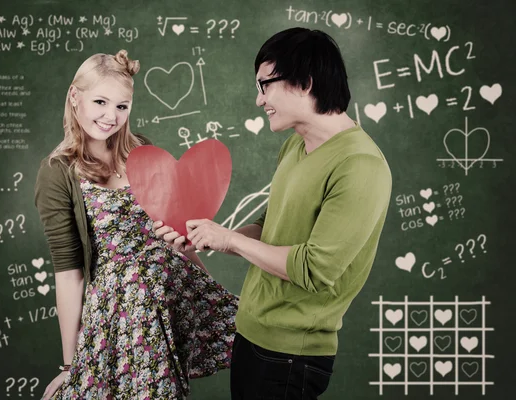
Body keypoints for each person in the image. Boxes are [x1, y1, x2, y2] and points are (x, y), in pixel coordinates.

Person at [154, 28, 392, 399]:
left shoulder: (360, 165)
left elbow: (315, 268)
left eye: (265, 85)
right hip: (251, 333)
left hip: (291, 354)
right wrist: (210, 236)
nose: (258, 99)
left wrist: (228, 239)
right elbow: (270, 226)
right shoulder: (297, 146)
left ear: (304, 83)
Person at [34, 50, 238, 400]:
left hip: (165, 288)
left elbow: (173, 237)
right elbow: (69, 273)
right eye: (100, 101)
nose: (110, 116)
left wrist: (208, 289)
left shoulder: (142, 151)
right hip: (120, 306)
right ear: (74, 97)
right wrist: (70, 366)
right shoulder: (58, 171)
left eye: (121, 106)